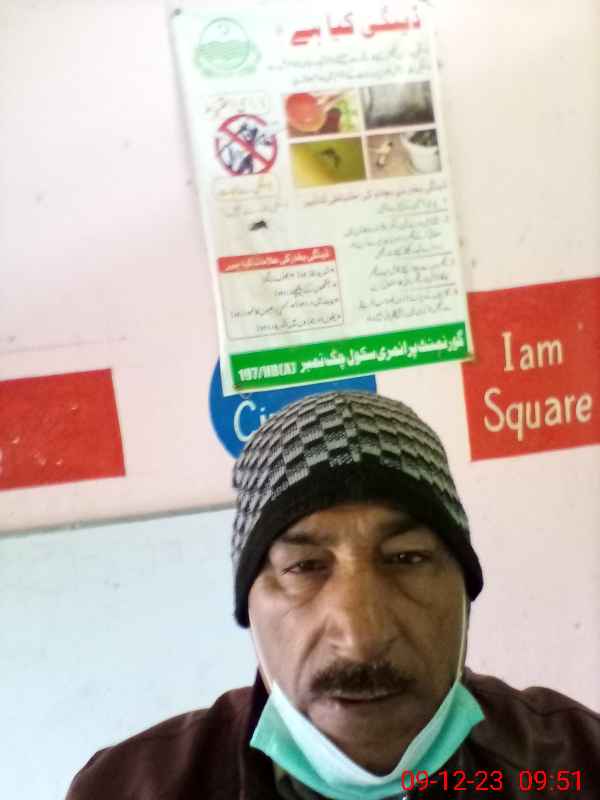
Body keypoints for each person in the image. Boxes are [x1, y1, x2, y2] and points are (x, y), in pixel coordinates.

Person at [66, 391, 600, 799]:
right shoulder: (133, 789)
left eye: (407, 558)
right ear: (249, 605)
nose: (361, 637)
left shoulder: (576, 764)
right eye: (304, 567)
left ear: (465, 591)